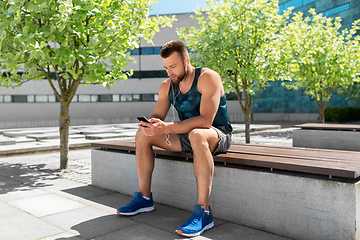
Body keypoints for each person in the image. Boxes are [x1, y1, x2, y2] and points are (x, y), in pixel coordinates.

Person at [116, 40, 232, 237]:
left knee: (197, 134)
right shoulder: (167, 86)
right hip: (187, 135)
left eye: (173, 66)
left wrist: (168, 127)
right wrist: (152, 124)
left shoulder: (208, 77)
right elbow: (159, 116)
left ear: (186, 60)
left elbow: (205, 121)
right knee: (143, 134)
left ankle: (203, 212)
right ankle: (144, 198)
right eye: (165, 67)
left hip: (217, 134)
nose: (169, 72)